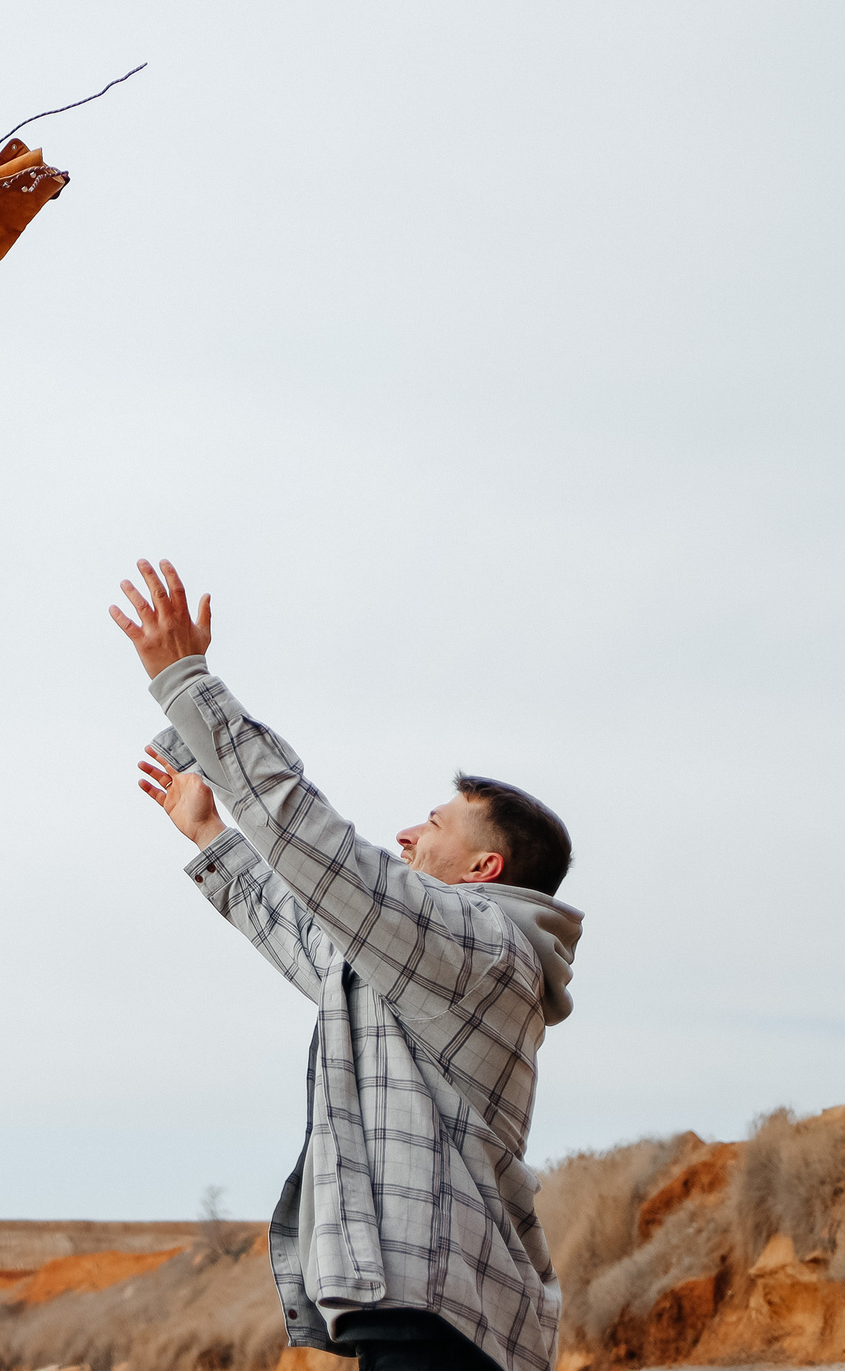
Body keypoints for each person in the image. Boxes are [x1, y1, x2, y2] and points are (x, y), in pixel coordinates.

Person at [109, 561, 582, 1371]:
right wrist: (211, 838)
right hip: (430, 1313)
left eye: (432, 824)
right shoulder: (427, 965)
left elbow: (318, 845)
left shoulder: (482, 946)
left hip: (441, 1317)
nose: (406, 836)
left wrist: (187, 682)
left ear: (485, 868)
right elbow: (310, 936)